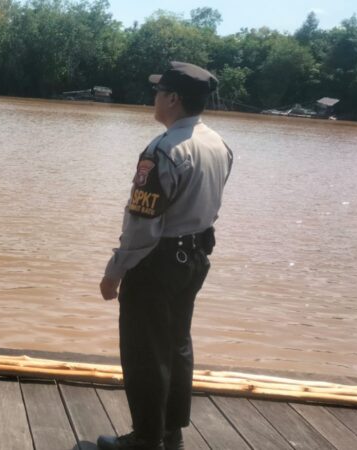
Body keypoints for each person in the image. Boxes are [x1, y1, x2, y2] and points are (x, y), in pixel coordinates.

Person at [96, 62, 233, 450]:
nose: (154, 98)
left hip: (157, 261)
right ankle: (171, 432)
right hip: (196, 257)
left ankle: (145, 439)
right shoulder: (218, 144)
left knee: (144, 349)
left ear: (173, 99)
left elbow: (142, 225)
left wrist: (114, 272)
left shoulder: (162, 151)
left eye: (159, 92)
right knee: (176, 343)